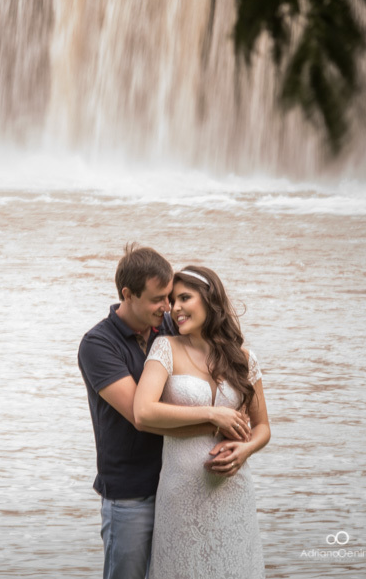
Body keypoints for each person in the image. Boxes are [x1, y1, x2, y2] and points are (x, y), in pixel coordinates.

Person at [77, 245, 249, 579]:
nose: (167, 307)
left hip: (182, 484)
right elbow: (142, 418)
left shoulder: (172, 325)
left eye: (169, 297)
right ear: (128, 295)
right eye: (158, 299)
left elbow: (223, 356)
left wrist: (242, 436)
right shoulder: (98, 345)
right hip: (132, 493)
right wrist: (215, 418)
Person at [132, 266, 270, 579]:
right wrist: (211, 414)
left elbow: (263, 428)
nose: (175, 307)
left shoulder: (244, 358)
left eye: (184, 298)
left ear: (209, 300)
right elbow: (144, 411)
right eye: (171, 300)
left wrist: (244, 450)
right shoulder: (166, 348)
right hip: (181, 494)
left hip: (234, 491)